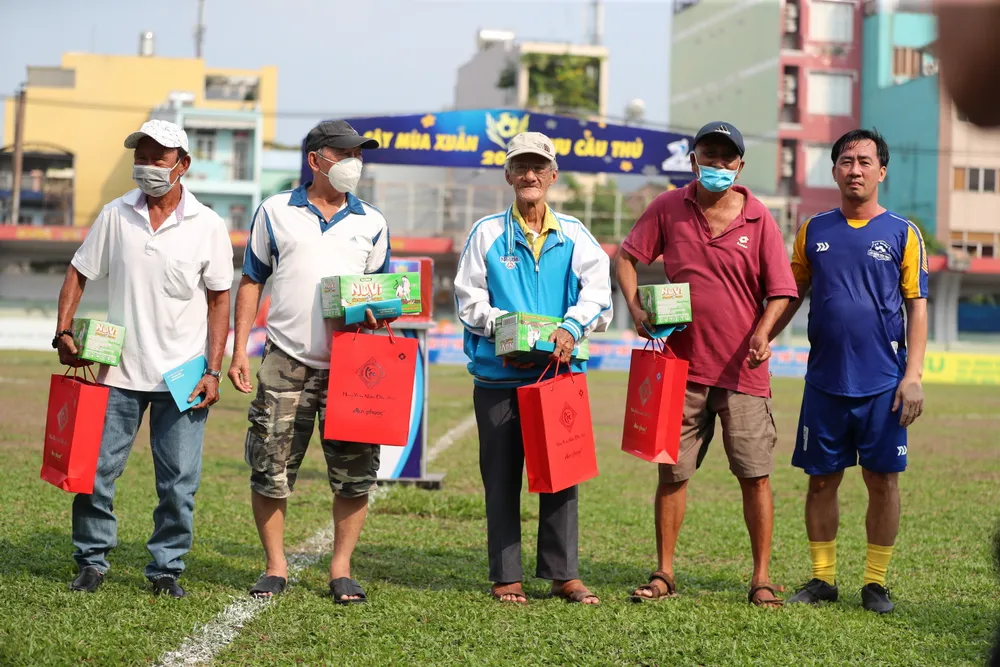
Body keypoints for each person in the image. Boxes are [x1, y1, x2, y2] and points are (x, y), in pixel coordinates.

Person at [615, 121, 798, 607]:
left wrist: (763, 332)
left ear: (740, 165)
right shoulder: (667, 207)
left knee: (755, 475)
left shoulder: (759, 218)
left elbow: (782, 290)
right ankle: (664, 572)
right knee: (672, 473)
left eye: (726, 158)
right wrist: (634, 307)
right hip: (680, 367)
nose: (717, 164)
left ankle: (761, 578)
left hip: (743, 372)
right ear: (693, 160)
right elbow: (626, 258)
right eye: (708, 155)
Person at [54, 119, 234, 597]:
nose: (148, 166)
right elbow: (78, 272)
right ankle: (91, 560)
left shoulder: (208, 225)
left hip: (184, 376)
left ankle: (166, 568)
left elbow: (220, 301)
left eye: (159, 158)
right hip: (118, 371)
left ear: (183, 164)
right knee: (95, 473)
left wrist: (214, 370)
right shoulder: (115, 215)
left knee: (178, 483)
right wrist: (63, 329)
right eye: (142, 157)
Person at [228, 120, 391, 604]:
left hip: (352, 366)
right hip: (285, 359)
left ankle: (341, 569)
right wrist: (239, 350)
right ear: (315, 159)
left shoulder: (372, 222)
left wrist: (380, 317)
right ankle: (275, 566)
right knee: (270, 466)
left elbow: (383, 298)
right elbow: (252, 279)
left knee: (355, 473)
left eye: (358, 154)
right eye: (344, 153)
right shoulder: (275, 210)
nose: (353, 163)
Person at [768, 129, 928, 614]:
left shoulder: (903, 232)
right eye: (845, 161)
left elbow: (917, 307)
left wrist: (913, 375)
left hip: (884, 385)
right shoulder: (812, 230)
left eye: (864, 161)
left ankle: (875, 583)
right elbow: (791, 294)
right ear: (834, 170)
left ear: (882, 171)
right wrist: (763, 335)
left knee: (882, 481)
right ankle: (823, 579)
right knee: (821, 481)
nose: (854, 169)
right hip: (824, 383)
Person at [454, 131, 612, 606]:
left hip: (558, 376)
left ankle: (564, 576)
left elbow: (599, 294)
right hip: (498, 378)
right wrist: (507, 330)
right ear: (508, 175)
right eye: (521, 166)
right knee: (501, 479)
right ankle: (507, 576)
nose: (530, 175)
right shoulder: (486, 233)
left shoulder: (576, 234)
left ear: (553, 175)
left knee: (562, 475)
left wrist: (571, 327)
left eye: (538, 167)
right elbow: (468, 300)